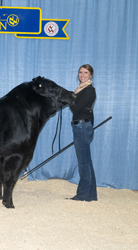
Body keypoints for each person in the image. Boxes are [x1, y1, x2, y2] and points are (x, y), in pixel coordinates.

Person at [68, 64, 97, 201]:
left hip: (82, 127)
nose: (82, 75)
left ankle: (83, 195)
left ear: (90, 74)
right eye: (80, 72)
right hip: (83, 126)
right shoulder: (81, 89)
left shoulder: (89, 90)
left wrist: (69, 98)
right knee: (87, 161)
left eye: (85, 72)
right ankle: (90, 194)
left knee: (83, 163)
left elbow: (76, 108)